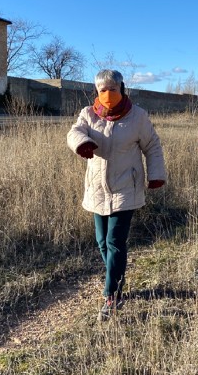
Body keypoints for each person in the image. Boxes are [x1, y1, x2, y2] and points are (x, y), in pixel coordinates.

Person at [67, 68, 167, 320]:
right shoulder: (88, 114)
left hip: (126, 188)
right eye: (103, 90)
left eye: (112, 89)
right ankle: (116, 275)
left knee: (114, 241)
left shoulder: (137, 116)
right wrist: (82, 143)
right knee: (103, 242)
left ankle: (112, 295)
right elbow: (74, 132)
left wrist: (156, 174)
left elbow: (152, 146)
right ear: (96, 91)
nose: (108, 94)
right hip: (97, 189)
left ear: (121, 88)